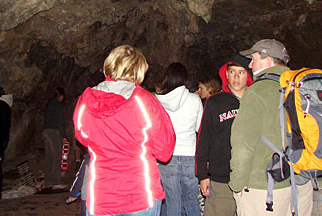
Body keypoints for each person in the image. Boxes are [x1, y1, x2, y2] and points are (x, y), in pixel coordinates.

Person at [73, 45, 176, 216]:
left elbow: (82, 136)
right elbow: (164, 151)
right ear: (139, 70)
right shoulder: (144, 101)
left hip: (101, 195)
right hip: (140, 194)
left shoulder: (85, 101)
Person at [229, 39, 313, 216]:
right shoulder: (301, 86)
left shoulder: (258, 91)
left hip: (267, 188)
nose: (250, 65)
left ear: (268, 61)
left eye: (254, 59)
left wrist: (237, 184)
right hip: (302, 181)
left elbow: (243, 144)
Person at [195, 55, 253, 216]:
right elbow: (203, 139)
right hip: (221, 177)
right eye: (232, 72)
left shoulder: (255, 100)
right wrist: (202, 175)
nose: (236, 77)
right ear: (226, 75)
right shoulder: (215, 102)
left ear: (248, 75)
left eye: (241, 72)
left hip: (252, 177)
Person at [155, 63, 203, 216]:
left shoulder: (158, 101)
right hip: (190, 154)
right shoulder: (194, 99)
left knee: (172, 203)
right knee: (191, 202)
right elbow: (199, 128)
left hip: (167, 157)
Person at [43, 87, 68, 190]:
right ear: (60, 96)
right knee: (57, 156)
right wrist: (63, 136)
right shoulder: (57, 105)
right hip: (54, 132)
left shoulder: (50, 104)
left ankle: (48, 181)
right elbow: (60, 122)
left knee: (49, 157)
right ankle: (56, 181)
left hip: (46, 131)